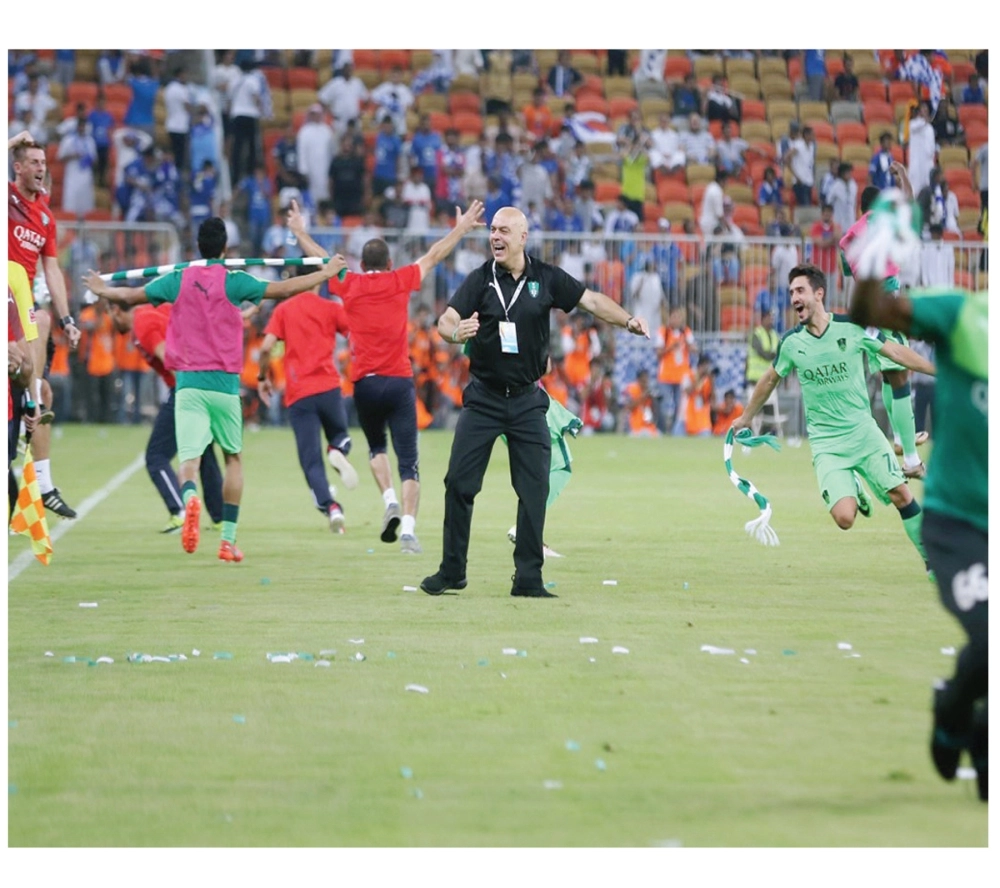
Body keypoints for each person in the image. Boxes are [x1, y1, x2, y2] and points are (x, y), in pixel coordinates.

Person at [83, 218, 346, 563]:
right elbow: (283, 290)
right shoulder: (234, 280)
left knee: (189, 460)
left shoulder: (179, 278)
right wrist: (325, 274)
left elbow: (131, 297)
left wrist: (102, 289)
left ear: (197, 246)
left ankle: (190, 496)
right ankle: (227, 541)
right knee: (233, 459)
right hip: (224, 385)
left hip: (189, 385)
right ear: (226, 249)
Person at [420, 206, 651, 599]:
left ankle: (528, 578)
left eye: (504, 230)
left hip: (528, 401)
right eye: (492, 230)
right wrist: (455, 334)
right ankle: (452, 570)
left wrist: (627, 320)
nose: (496, 236)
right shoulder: (479, 280)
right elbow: (446, 319)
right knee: (459, 483)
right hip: (484, 398)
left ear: (523, 237)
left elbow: (591, 301)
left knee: (533, 489)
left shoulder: (545, 278)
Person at [849, 276, 987, 802]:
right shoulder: (963, 314)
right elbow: (874, 311)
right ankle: (953, 713)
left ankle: (979, 733)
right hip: (959, 523)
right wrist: (867, 268)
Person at [288, 198, 486, 554]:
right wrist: (461, 227)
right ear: (390, 262)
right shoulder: (401, 279)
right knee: (409, 461)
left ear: (361, 264)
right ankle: (408, 530)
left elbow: (322, 260)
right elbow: (435, 254)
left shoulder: (349, 283)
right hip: (398, 381)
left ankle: (389, 499)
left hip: (365, 383)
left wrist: (301, 231)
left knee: (376, 447)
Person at [732, 263, 936, 571]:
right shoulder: (791, 343)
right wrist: (746, 417)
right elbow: (770, 379)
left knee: (901, 494)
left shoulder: (855, 327)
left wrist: (937, 371)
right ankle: (853, 484)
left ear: (819, 293)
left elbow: (895, 352)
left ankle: (931, 561)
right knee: (844, 518)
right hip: (827, 444)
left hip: (864, 433)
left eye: (799, 291)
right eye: (790, 293)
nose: (794, 298)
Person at [9, 132, 82, 520]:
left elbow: (52, 269)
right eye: (33, 162)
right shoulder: (7, 199)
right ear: (17, 167)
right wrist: (9, 142)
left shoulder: (45, 218)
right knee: (40, 319)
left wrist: (70, 319)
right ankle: (29, 399)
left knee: (47, 393)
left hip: (20, 307)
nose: (41, 168)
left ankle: (45, 485)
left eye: (43, 163)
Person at [840, 167, 929, 476]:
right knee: (901, 374)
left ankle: (900, 439)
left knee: (891, 376)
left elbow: (850, 276)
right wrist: (904, 174)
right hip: (885, 302)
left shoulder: (849, 237)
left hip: (864, 313)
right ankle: (912, 462)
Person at [107, 301, 225, 533]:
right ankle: (221, 518)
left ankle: (180, 512)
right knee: (205, 453)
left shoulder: (142, 324)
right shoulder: (159, 311)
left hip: (186, 388)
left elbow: (168, 355)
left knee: (156, 456)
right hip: (207, 383)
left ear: (116, 310)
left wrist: (188, 394)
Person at [256, 276, 358, 534]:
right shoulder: (330, 307)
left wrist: (262, 376)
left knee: (310, 461)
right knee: (340, 437)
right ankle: (338, 451)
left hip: (299, 393)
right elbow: (354, 335)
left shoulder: (284, 309)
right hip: (328, 387)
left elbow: (266, 347)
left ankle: (331, 508)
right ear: (317, 280)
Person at [744, 307, 779, 434]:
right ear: (762, 319)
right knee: (753, 412)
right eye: (769, 317)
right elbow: (763, 353)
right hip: (755, 380)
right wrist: (774, 355)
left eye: (772, 318)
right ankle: (749, 437)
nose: (771, 320)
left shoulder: (775, 335)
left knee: (769, 413)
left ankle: (766, 437)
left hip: (769, 381)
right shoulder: (756, 335)